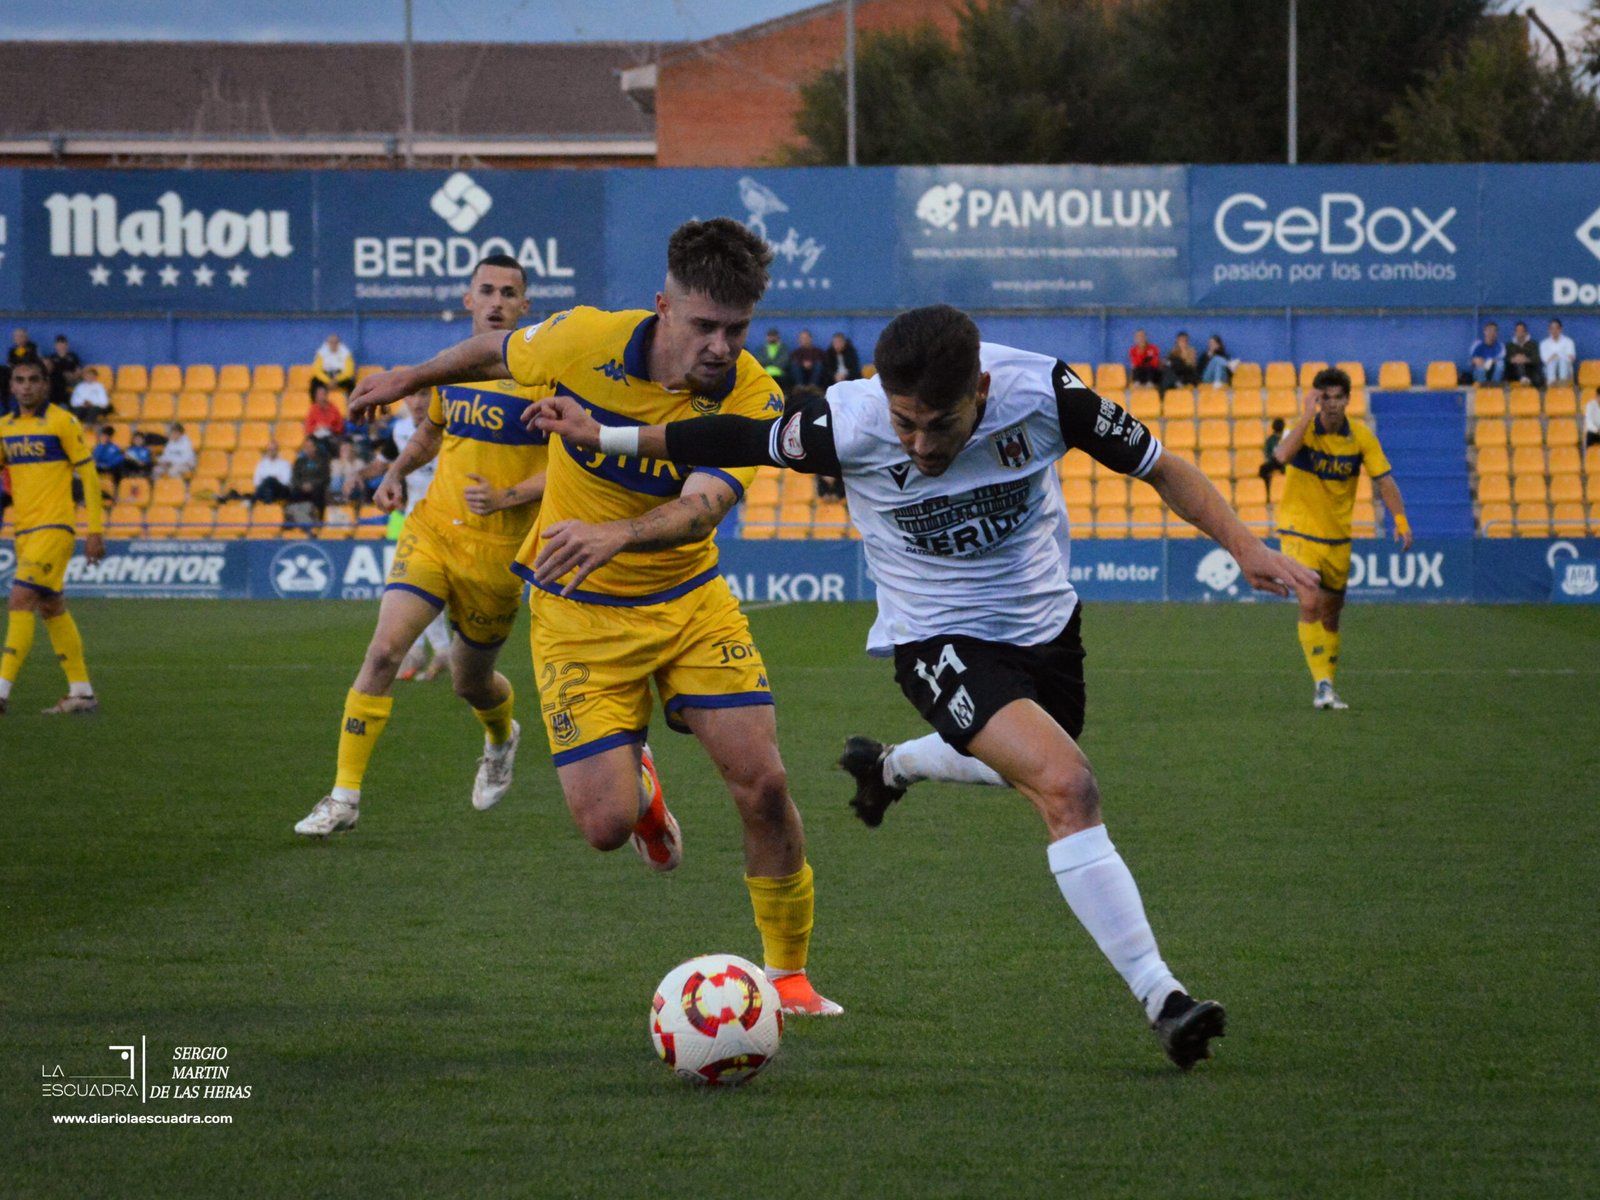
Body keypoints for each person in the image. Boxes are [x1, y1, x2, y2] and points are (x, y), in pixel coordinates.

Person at [530, 302, 1319, 1064]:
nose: (916, 442)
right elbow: (732, 435)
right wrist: (604, 434)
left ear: (979, 393)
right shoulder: (848, 421)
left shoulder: (1046, 395)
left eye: (937, 424)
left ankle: (892, 766)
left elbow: (1162, 467)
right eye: (903, 421)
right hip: (935, 639)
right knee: (1067, 787)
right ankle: (1165, 1000)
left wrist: (1247, 547)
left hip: (1046, 629)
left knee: (1026, 764)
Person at [345, 220, 840, 1018]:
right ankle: (642, 798)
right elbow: (492, 352)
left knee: (766, 785)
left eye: (737, 329)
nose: (722, 346)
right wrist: (409, 377)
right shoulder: (581, 341)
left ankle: (788, 978)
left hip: (688, 603)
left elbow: (703, 505)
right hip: (576, 614)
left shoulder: (753, 393)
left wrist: (618, 534)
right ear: (663, 308)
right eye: (705, 326)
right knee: (606, 827)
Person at [294, 254, 552, 835]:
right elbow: (431, 431)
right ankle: (343, 797)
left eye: (508, 293)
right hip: (433, 532)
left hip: (498, 557)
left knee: (470, 683)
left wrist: (511, 496)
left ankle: (501, 736)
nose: (496, 302)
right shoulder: (448, 369)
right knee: (384, 652)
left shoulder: (547, 376)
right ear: (467, 300)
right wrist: (395, 472)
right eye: (485, 290)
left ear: (524, 306)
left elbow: (572, 464)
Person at [1273, 367, 1411, 711]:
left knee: (1331, 615)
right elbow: (1281, 457)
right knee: (1309, 602)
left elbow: (1385, 481)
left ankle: (1328, 687)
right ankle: (1320, 685)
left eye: (1338, 398)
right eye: (1325, 398)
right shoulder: (1302, 430)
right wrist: (1306, 415)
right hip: (1299, 531)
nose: (1331, 405)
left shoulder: (1361, 437)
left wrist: (1401, 520)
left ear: (1348, 400)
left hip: (1337, 539)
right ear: (1316, 399)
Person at [0, 355, 106, 716]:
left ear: (45, 385)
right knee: (51, 607)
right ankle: (82, 693)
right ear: (12, 385)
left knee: (19, 599)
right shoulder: (4, 428)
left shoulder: (62, 421)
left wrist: (95, 530)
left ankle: (0, 692)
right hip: (24, 532)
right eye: (20, 379)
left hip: (55, 527)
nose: (26, 386)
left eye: (33, 379)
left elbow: (89, 477)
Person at [386, 391, 452, 684]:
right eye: (411, 396)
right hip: (415, 522)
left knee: (431, 589)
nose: (416, 402)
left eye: (424, 395)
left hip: (449, 520)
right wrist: (362, 477)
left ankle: (437, 652)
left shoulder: (449, 428)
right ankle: (428, 652)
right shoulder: (399, 431)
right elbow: (384, 463)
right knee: (413, 586)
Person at [46, 335, 82, 409]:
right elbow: (47, 371)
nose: (61, 346)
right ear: (55, 346)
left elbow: (78, 371)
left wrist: (73, 377)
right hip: (56, 381)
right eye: (59, 344)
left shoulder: (73, 356)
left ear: (67, 345)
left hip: (71, 380)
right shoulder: (52, 357)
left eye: (63, 344)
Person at [1505, 321, 1543, 386]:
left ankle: (1525, 380)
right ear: (1515, 332)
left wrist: (1526, 359)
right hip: (1514, 371)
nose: (1519, 333)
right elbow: (1506, 358)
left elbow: (1537, 358)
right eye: (1517, 330)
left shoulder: (1533, 344)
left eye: (1521, 330)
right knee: (1517, 363)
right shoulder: (1509, 345)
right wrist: (1513, 359)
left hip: (1529, 370)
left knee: (1538, 377)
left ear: (1526, 332)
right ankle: (1523, 378)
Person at [1540, 318, 1576, 384]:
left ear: (1561, 329)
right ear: (1549, 329)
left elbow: (1571, 359)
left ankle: (1562, 383)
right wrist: (1562, 355)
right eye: (1552, 328)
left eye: (1557, 328)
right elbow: (1545, 360)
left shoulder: (1568, 341)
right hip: (1549, 370)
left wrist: (1557, 355)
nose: (1554, 331)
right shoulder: (1544, 343)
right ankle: (1552, 384)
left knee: (1563, 361)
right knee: (1552, 363)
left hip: (1566, 370)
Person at [90, 425, 124, 492]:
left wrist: (108, 465)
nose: (104, 437)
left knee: (119, 468)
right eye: (103, 435)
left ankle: (116, 490)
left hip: (111, 468)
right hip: (100, 467)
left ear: (110, 437)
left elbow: (118, 458)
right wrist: (102, 446)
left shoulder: (114, 447)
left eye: (106, 436)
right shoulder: (99, 447)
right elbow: (96, 457)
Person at [1259, 417, 1287, 498]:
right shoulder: (1270, 440)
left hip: (1286, 461)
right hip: (1275, 461)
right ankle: (1267, 491)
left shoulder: (1286, 438)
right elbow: (1268, 454)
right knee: (1263, 469)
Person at [756, 328, 789, 394]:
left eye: (774, 336)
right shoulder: (761, 349)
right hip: (765, 373)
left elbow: (784, 361)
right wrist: (773, 362)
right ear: (767, 337)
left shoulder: (783, 348)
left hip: (780, 374)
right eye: (770, 336)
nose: (772, 338)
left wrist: (769, 363)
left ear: (778, 337)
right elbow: (759, 360)